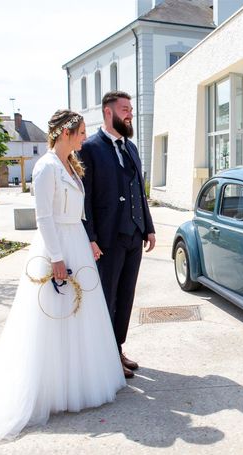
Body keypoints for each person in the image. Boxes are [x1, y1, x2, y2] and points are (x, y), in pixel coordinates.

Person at [0, 110, 126, 443]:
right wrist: (57, 258)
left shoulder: (72, 166)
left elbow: (78, 212)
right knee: (54, 316)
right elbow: (44, 217)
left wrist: (87, 241)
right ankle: (49, 388)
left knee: (79, 317)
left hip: (76, 240)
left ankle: (75, 381)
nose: (83, 138)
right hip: (58, 246)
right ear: (65, 133)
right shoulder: (47, 167)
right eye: (79, 132)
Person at [80, 91, 155, 379]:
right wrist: (91, 236)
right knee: (107, 298)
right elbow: (84, 199)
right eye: (125, 109)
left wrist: (148, 227)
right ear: (108, 113)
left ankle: (118, 348)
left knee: (125, 296)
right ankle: (107, 354)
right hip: (108, 239)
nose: (130, 114)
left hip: (134, 235)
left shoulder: (132, 148)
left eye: (131, 109)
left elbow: (139, 190)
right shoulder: (89, 148)